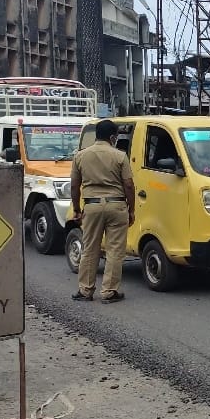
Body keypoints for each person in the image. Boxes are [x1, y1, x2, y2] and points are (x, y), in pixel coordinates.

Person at [70, 120, 136, 304]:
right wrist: (131, 210)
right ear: (113, 137)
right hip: (116, 206)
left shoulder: (80, 156)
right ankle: (108, 291)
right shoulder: (120, 156)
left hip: (91, 206)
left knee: (90, 248)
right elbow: (129, 185)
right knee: (115, 250)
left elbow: (75, 185)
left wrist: (76, 208)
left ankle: (85, 290)